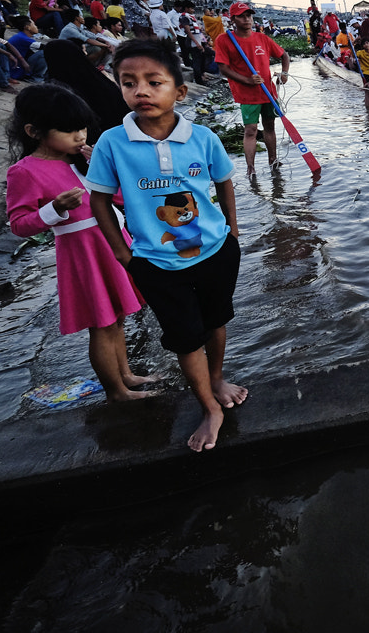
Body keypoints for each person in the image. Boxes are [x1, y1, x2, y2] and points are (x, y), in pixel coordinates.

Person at [86, 39, 244, 452]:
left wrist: (232, 229)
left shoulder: (202, 137)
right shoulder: (111, 143)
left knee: (215, 320)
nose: (141, 91)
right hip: (155, 262)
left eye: (154, 82)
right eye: (128, 83)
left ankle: (217, 378)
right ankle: (209, 406)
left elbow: (224, 179)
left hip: (215, 252)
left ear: (179, 91)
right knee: (184, 336)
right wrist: (123, 252)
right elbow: (98, 198)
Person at [6, 84, 153, 402]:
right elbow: (19, 224)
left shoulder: (83, 160)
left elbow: (119, 197)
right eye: (69, 130)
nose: (80, 136)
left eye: (82, 128)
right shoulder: (25, 172)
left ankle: (125, 374)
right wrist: (54, 209)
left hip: (113, 242)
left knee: (118, 317)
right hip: (83, 252)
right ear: (34, 131)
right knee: (101, 322)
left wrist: (105, 166)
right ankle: (116, 391)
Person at [214, 1, 290, 177]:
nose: (246, 19)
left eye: (249, 15)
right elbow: (223, 69)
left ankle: (273, 160)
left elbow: (284, 55)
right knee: (251, 130)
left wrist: (284, 73)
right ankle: (251, 169)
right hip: (247, 95)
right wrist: (247, 80)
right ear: (233, 19)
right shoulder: (225, 40)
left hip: (268, 92)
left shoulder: (262, 38)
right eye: (241, 16)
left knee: (270, 127)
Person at [7, 15, 47, 81]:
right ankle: (36, 78)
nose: (36, 27)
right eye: (34, 25)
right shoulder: (23, 38)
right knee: (45, 52)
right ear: (27, 27)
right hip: (16, 70)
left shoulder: (21, 36)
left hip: (15, 67)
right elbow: (45, 47)